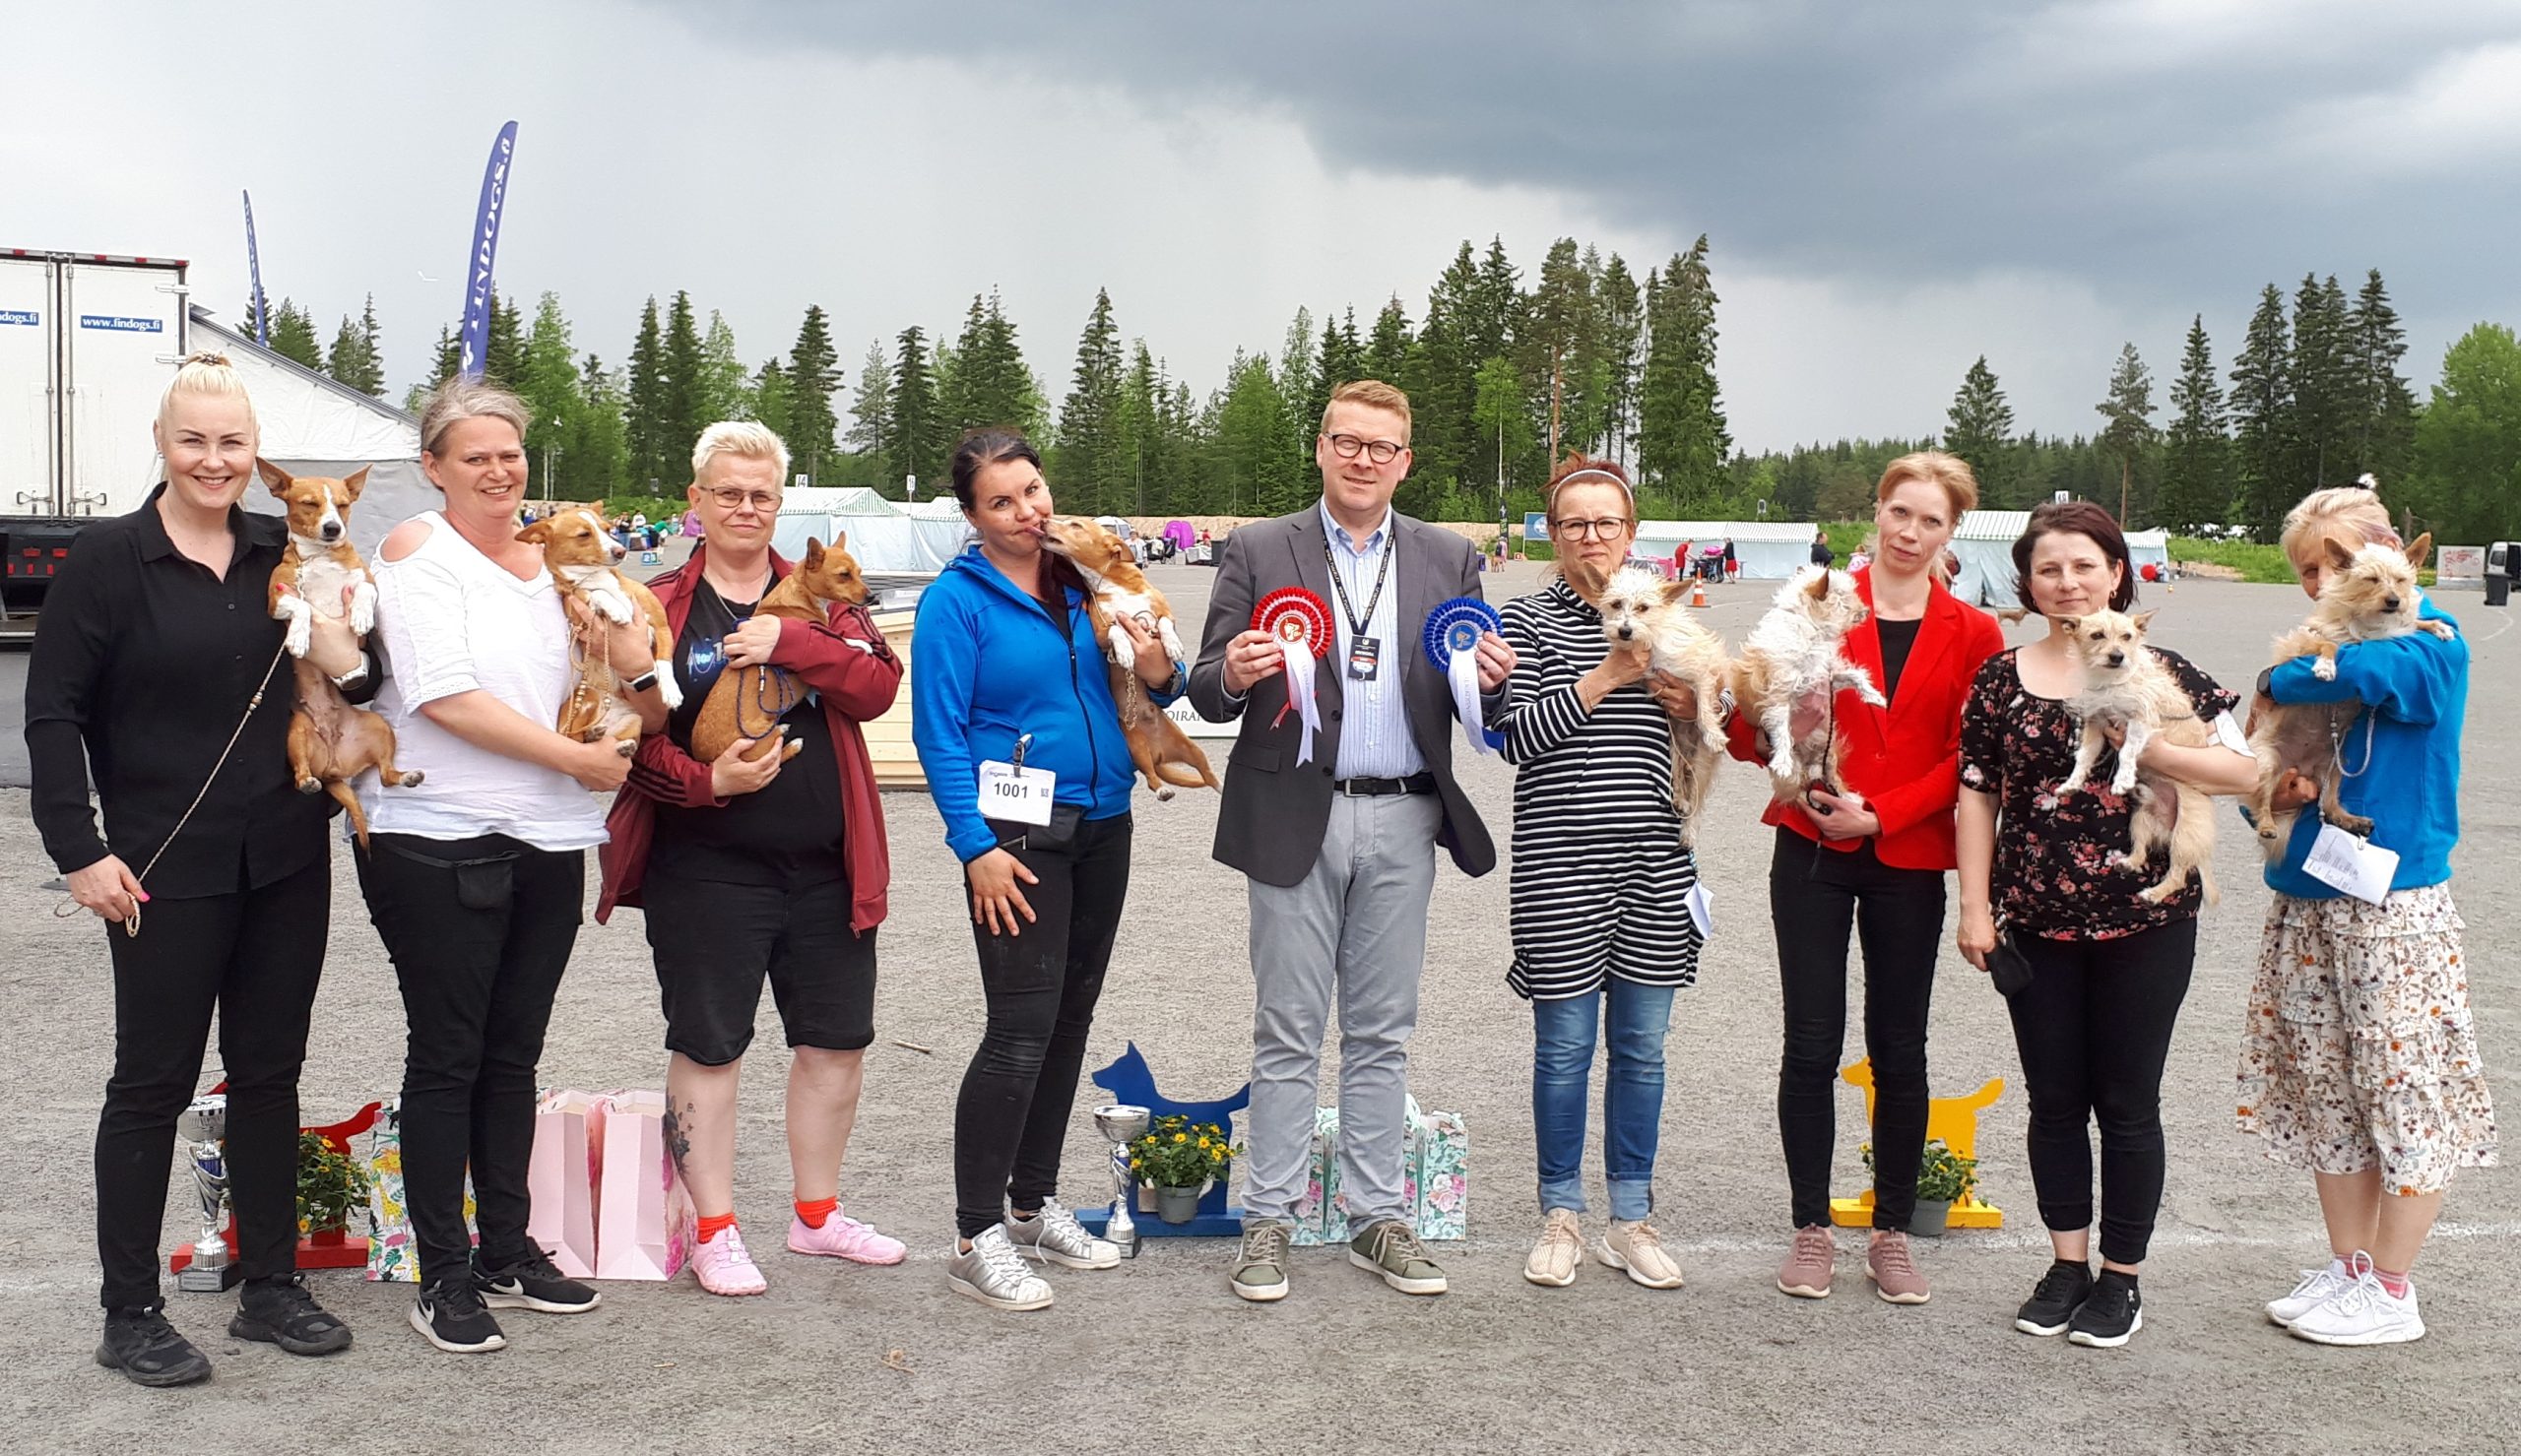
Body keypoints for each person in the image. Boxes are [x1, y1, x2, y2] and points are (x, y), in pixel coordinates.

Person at [28, 354, 367, 1385]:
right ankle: (129, 1310)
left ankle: (271, 1285)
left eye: (232, 442)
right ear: (163, 445)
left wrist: (350, 650)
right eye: (194, 441)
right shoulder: (107, 561)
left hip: (283, 858)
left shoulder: (281, 544)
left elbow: (357, 674)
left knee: (268, 1075)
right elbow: (53, 715)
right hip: (161, 866)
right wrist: (79, 850)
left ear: (254, 455)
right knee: (151, 1083)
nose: (214, 460)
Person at [1190, 379, 1515, 1303]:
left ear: (1405, 461)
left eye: (1381, 447)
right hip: (1295, 812)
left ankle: (1378, 1216)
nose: (1363, 459)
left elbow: (1481, 703)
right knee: (1286, 1028)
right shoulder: (1259, 548)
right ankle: (1269, 1218)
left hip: (1407, 815)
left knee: (1381, 1030)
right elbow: (1205, 686)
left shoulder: (1450, 557)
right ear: (1322, 448)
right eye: (1348, 441)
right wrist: (1236, 668)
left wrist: (1493, 681)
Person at [361, 379, 667, 1354]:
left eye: (510, 454)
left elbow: (648, 699)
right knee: (447, 1055)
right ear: (434, 467)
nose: (498, 471)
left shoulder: (559, 564)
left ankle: (505, 1246)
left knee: (513, 1056)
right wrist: (577, 759)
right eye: (475, 457)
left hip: (548, 837)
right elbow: (444, 697)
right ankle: (442, 1273)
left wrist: (631, 652)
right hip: (436, 833)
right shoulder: (418, 550)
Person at [597, 422, 905, 1297]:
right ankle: (715, 1228)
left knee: (836, 1043)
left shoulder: (827, 593)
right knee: (709, 1046)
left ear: (780, 504)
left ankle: (818, 1216)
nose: (744, 506)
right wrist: (707, 782)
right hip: (706, 866)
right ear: (695, 499)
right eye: (727, 491)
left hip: (828, 863)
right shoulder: (659, 602)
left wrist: (791, 642)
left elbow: (878, 687)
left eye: (760, 493)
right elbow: (627, 735)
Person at [1956, 501, 2255, 1347]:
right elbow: (1976, 791)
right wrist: (1974, 906)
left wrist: (2153, 750)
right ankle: (2066, 1263)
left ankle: (2121, 1277)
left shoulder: (2166, 670)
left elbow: (2240, 770)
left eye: (2084, 565)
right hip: (2036, 920)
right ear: (2027, 581)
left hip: (2143, 923)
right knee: (2054, 1100)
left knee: (2127, 1101)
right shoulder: (2000, 678)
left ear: (2116, 573)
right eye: (2048, 568)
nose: (2068, 581)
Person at [911, 427, 1184, 1312]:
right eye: (1001, 501)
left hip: (1105, 820)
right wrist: (974, 846)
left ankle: (1030, 1205)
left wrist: (1158, 661)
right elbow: (937, 732)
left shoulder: (1084, 578)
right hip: (1015, 838)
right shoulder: (955, 602)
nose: (1026, 511)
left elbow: (1163, 684)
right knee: (1018, 1029)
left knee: (1070, 1022)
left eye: (1032, 490)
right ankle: (973, 1233)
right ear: (972, 516)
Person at [1729, 450, 2002, 1305]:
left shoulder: (1975, 632)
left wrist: (1883, 813)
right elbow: (1748, 729)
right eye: (1900, 512)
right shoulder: (1815, 604)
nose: (1911, 532)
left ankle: (1891, 1231)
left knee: (1900, 1047)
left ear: (1951, 532)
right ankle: (1811, 1226)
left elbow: (1968, 757)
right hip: (1810, 844)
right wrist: (1766, 721)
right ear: (1876, 512)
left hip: (1906, 854)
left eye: (1932, 520)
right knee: (1810, 1042)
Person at [2235, 483, 2493, 1346]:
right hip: (2310, 889)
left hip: (2395, 906)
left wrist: (2278, 673)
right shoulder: (2329, 638)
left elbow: (2371, 674)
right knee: (2331, 1091)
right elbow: (2258, 748)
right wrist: (2276, 786)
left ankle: (2392, 1287)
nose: (2324, 583)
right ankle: (2350, 1267)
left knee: (2404, 1088)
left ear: (2392, 552)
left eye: (2334, 564)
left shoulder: (2433, 640)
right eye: (2311, 571)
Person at [1498, 456, 1699, 1293]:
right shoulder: (1525, 621)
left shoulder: (1664, 615)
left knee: (1642, 1050)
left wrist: (1695, 709)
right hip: (1559, 863)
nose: (1592, 537)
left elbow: (1709, 738)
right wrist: (1607, 676)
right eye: (1575, 523)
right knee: (1565, 1049)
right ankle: (1560, 1213)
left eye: (1606, 522)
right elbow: (1513, 738)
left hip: (1655, 859)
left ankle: (1630, 1217)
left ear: (1631, 531)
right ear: (1552, 533)